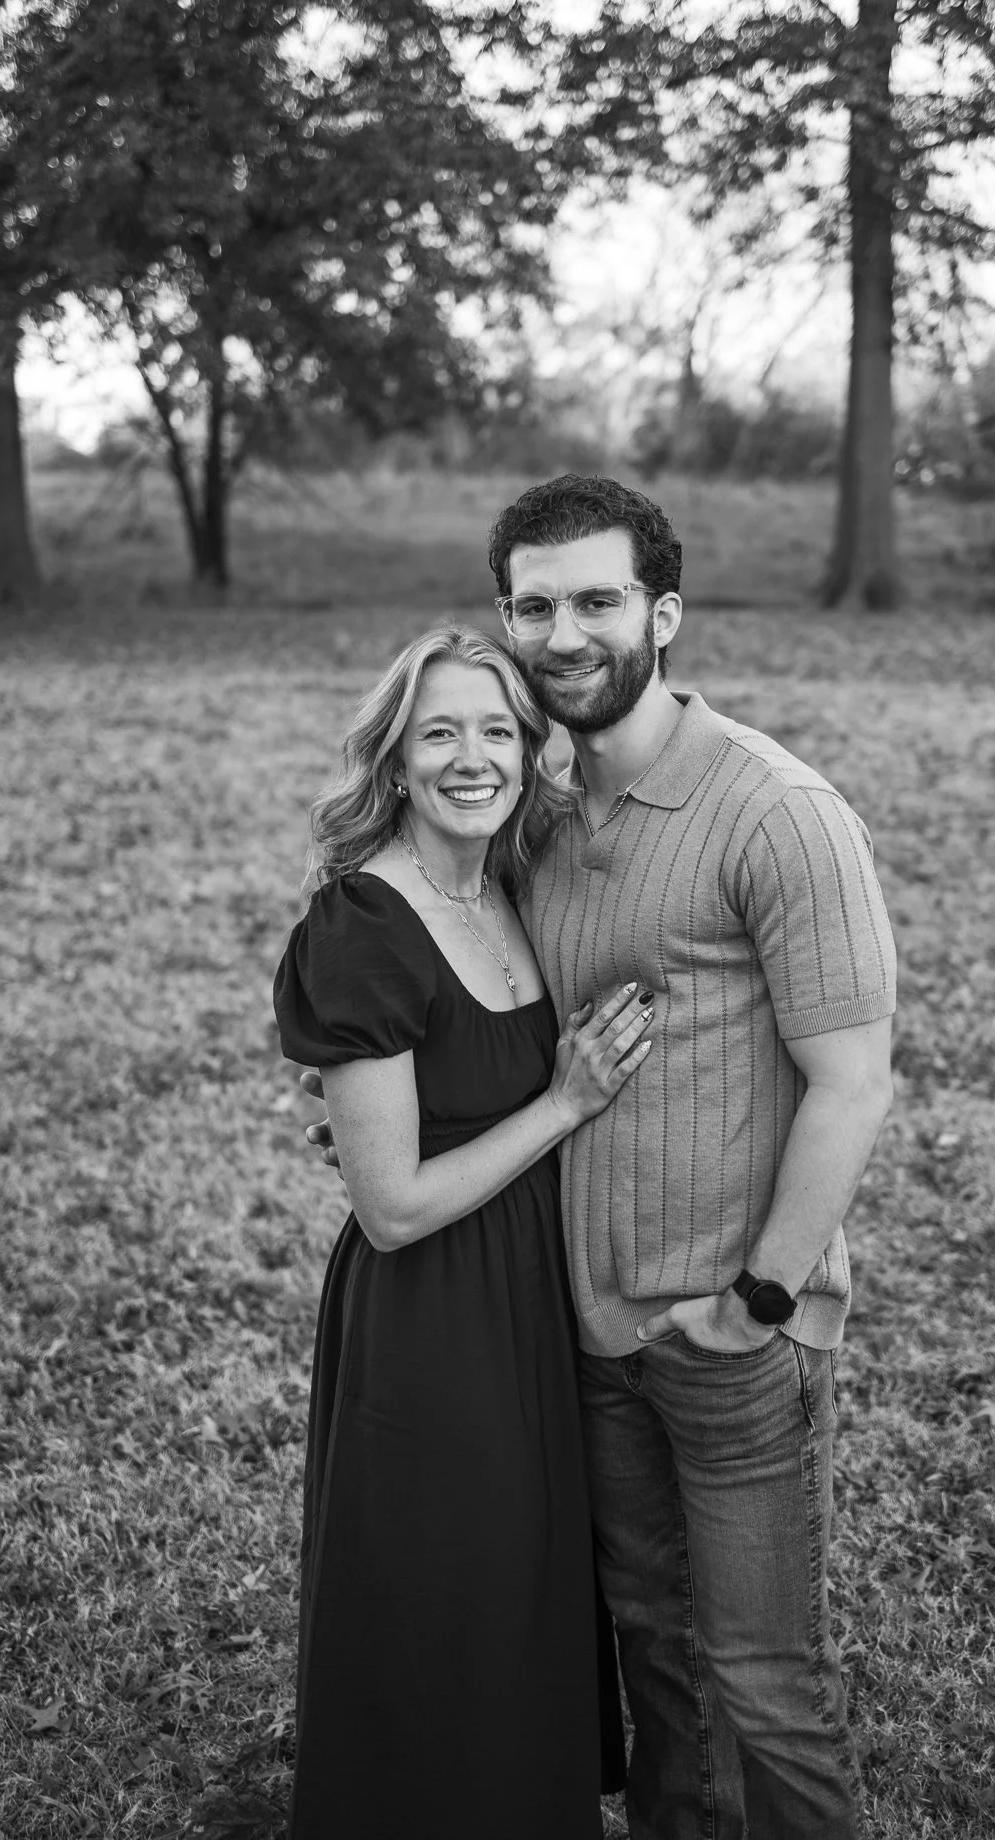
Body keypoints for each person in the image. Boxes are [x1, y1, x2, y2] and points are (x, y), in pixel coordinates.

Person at [304, 474, 898, 1840]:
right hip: (585, 1331)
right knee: (654, 1655)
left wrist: (758, 1298)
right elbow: (455, 1001)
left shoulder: (777, 811)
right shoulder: (541, 820)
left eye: (596, 600)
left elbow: (854, 1082)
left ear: (662, 614)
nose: (562, 633)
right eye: (534, 606)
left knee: (765, 1682)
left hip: (733, 1330)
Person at [272, 624, 649, 1840]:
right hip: (433, 1311)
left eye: (495, 729)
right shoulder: (363, 924)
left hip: (533, 1289)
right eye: (438, 731)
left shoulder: (507, 887)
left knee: (528, 1581)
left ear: (531, 749)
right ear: (395, 757)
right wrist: (564, 1103)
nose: (470, 756)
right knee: (449, 1590)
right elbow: (389, 1206)